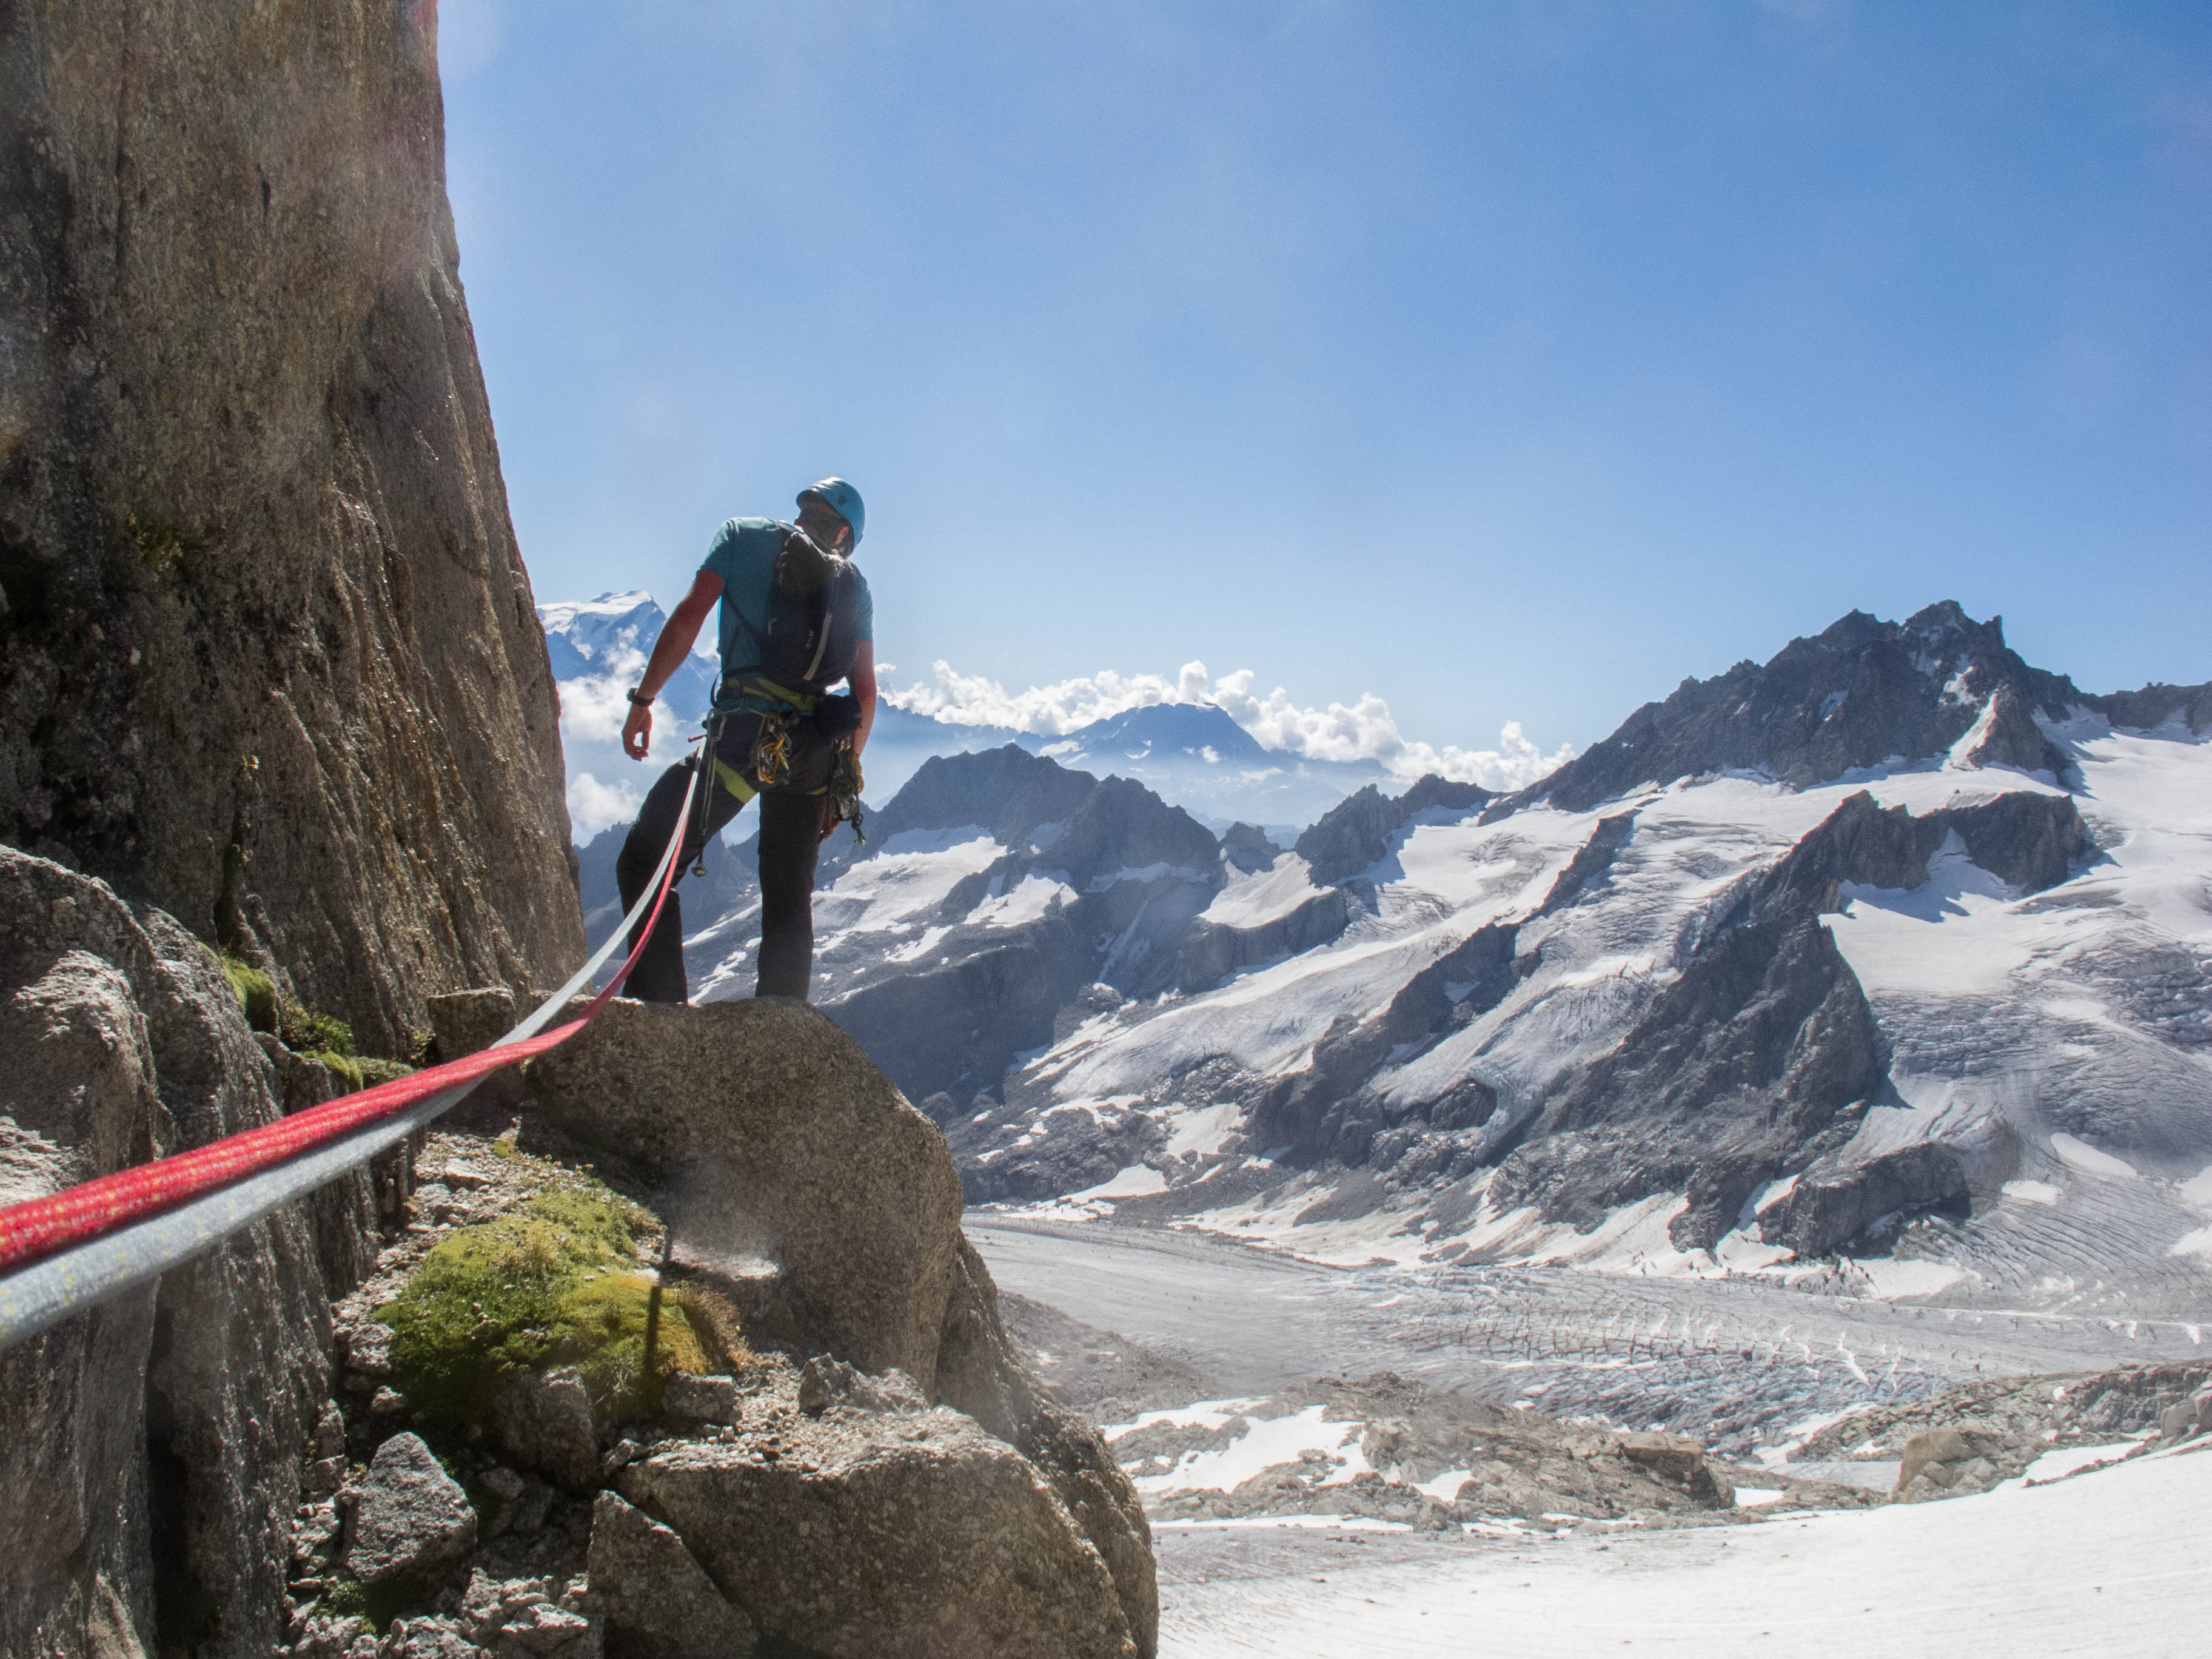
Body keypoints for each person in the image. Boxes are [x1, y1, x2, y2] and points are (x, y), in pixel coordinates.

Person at [613, 478, 876, 1002]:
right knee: (788, 896)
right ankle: (782, 1027)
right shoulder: (855, 586)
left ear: (806, 509)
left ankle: (662, 1015)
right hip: (813, 756)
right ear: (844, 536)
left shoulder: (743, 535)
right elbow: (865, 692)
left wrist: (644, 700)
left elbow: (690, 616)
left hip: (746, 740)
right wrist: (841, 787)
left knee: (646, 861)